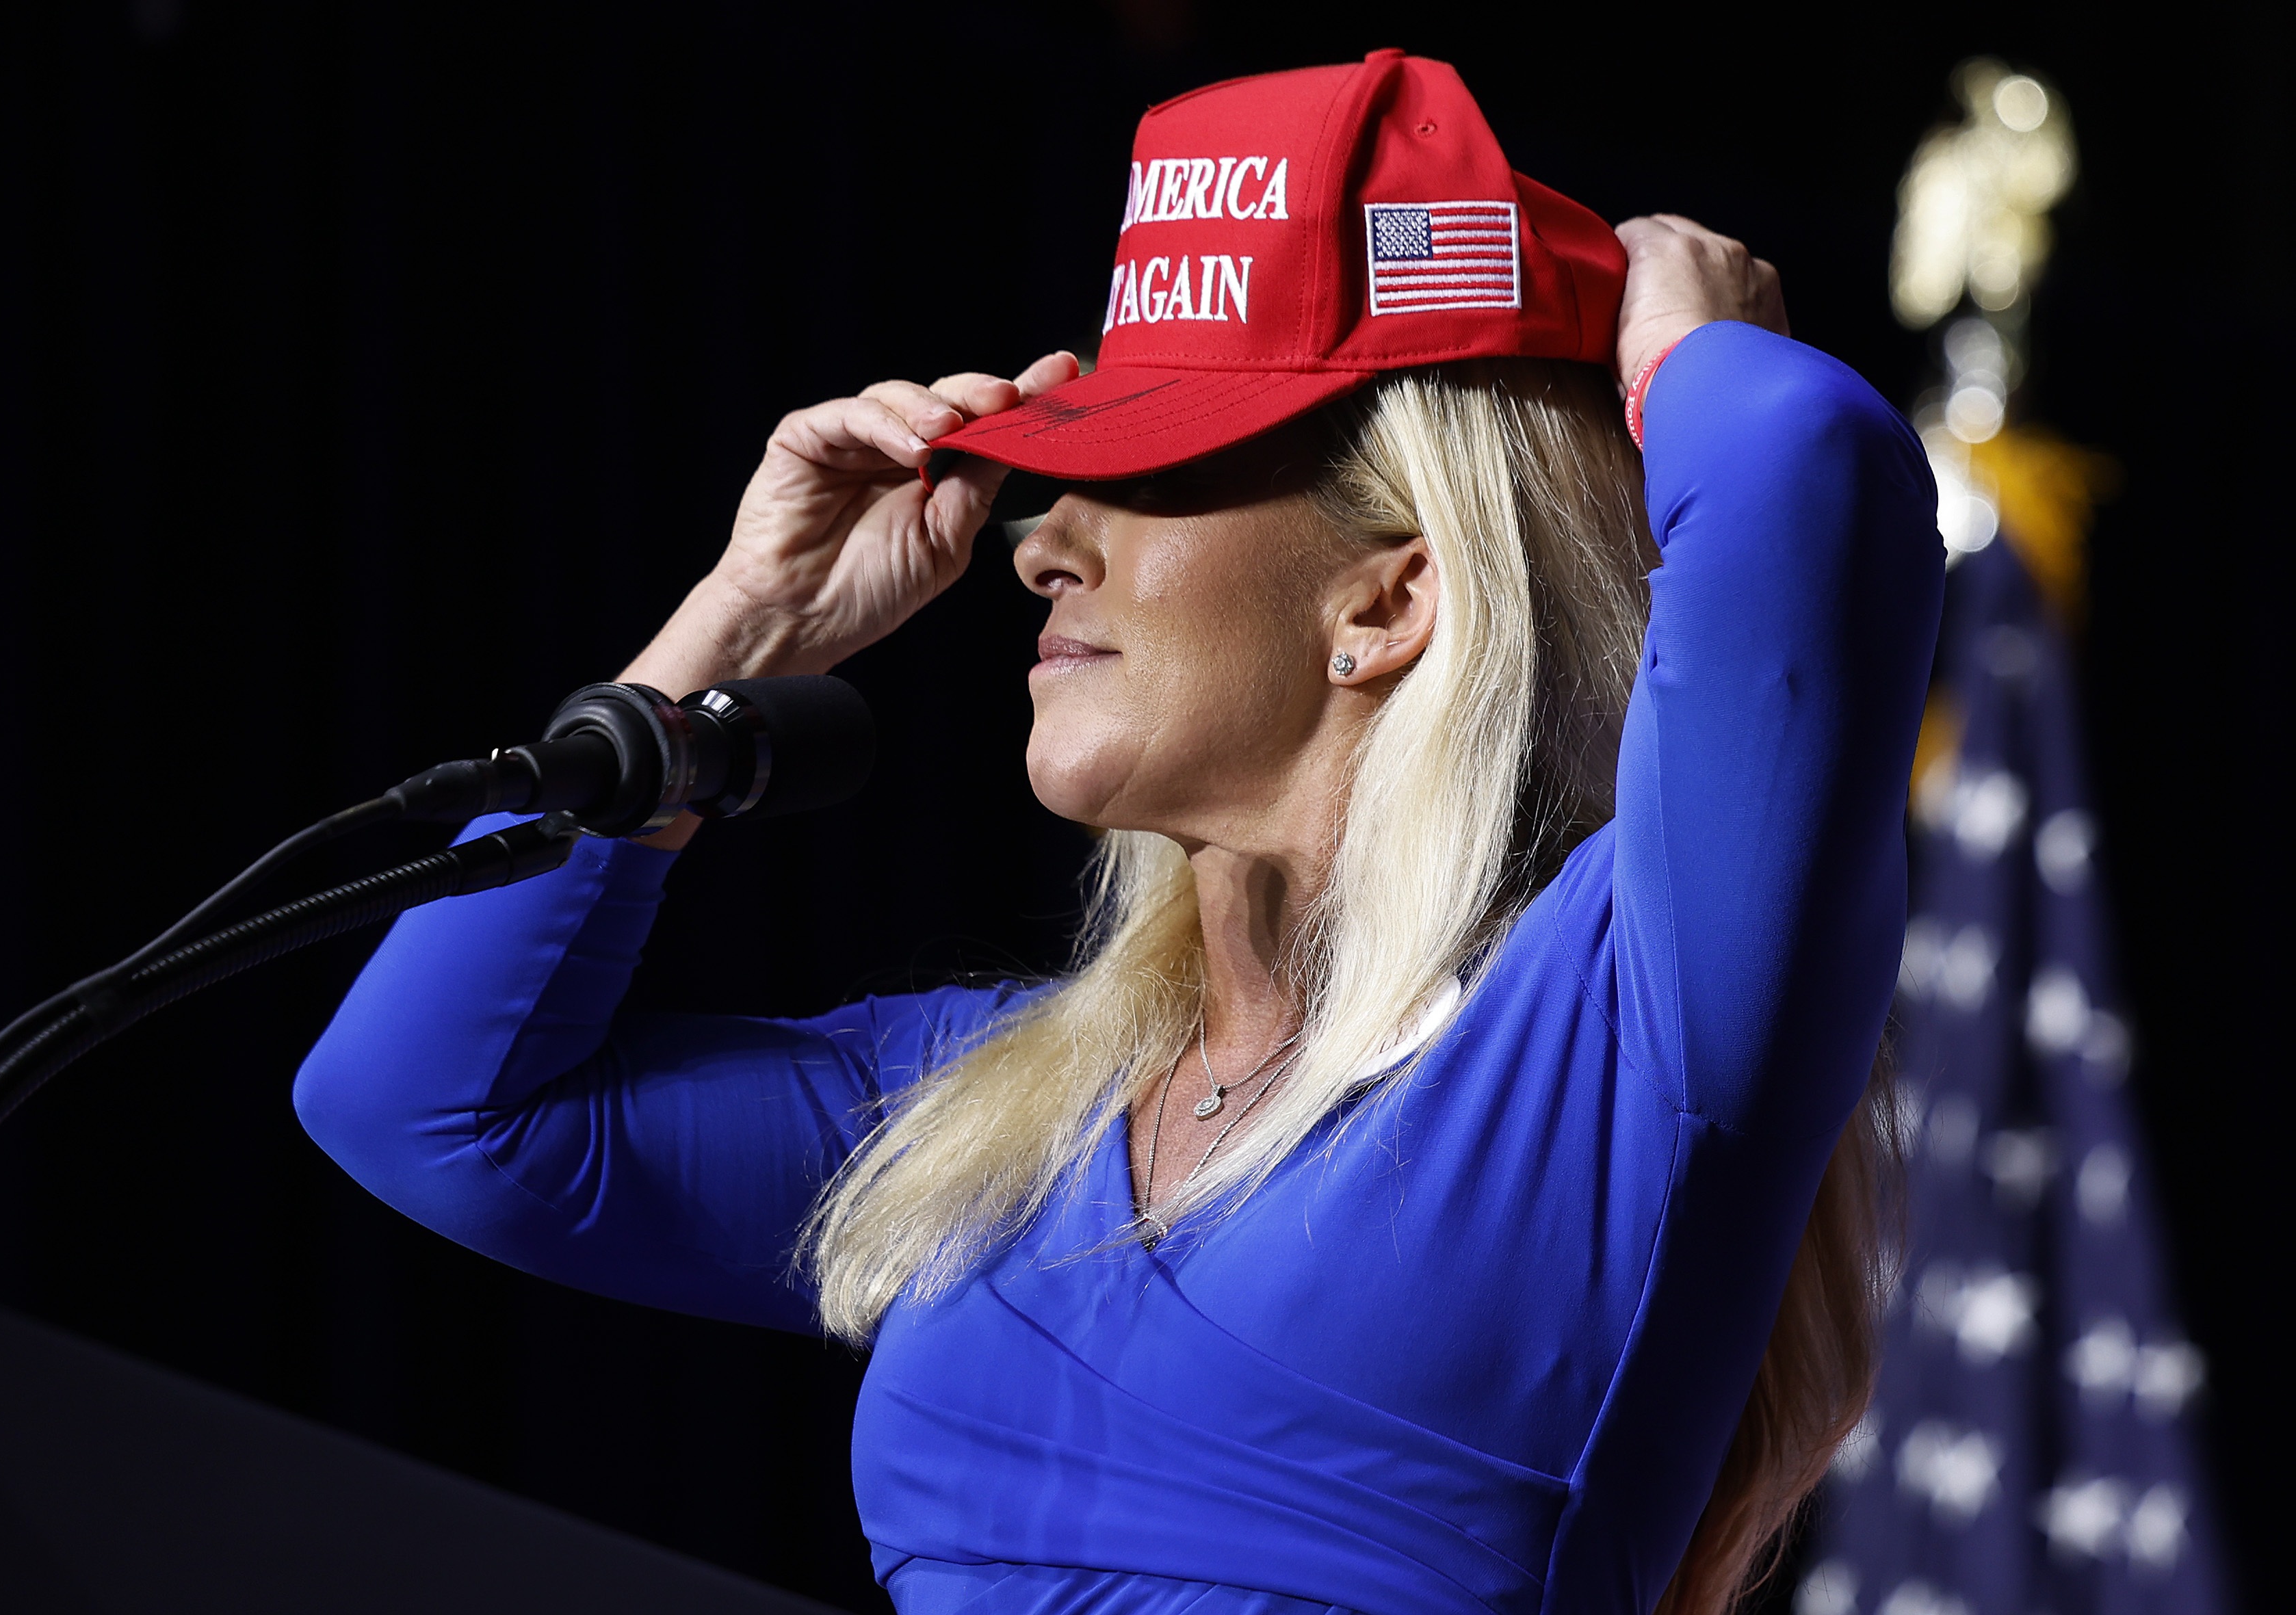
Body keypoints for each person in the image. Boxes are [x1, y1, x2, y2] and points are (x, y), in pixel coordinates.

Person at [296, 49, 1940, 1615]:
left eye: (1155, 467)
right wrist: (731, 636)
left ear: (1389, 593)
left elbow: (1809, 463)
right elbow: (423, 1106)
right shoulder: (992, 1116)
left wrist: (1678, 352)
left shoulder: (1623, 1023)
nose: (1036, 541)